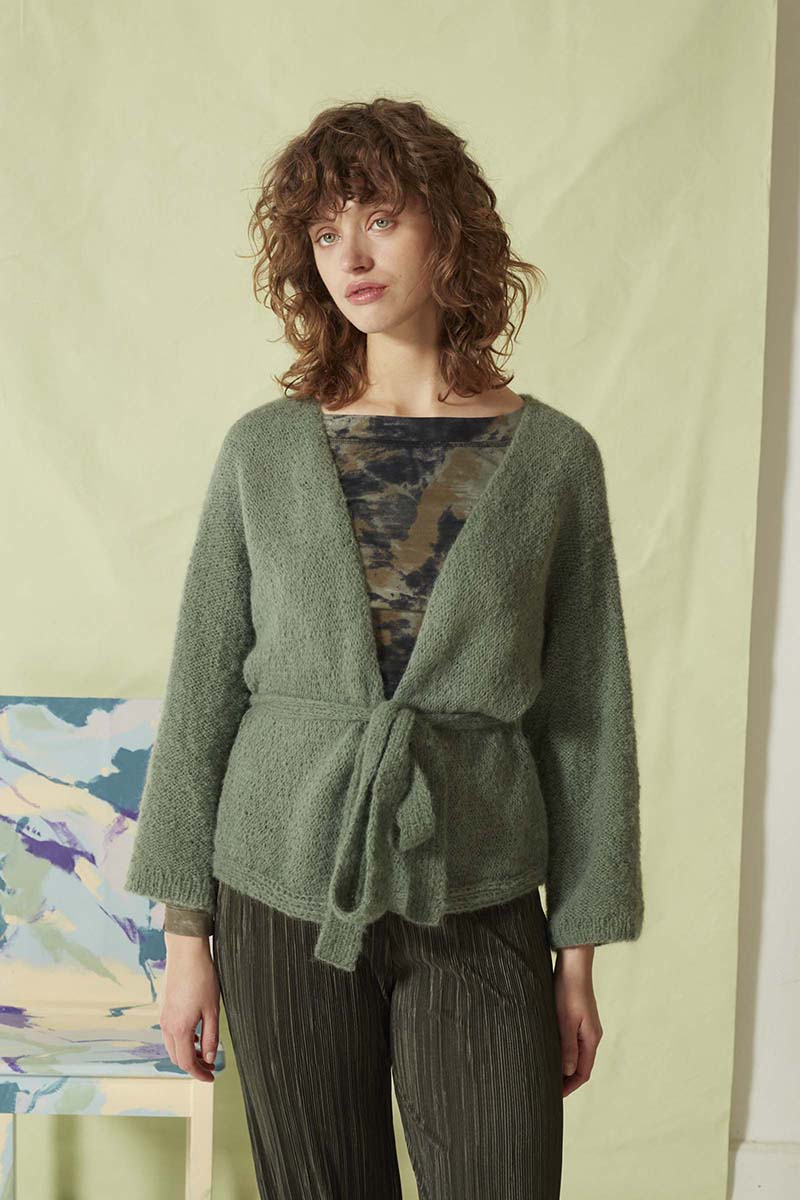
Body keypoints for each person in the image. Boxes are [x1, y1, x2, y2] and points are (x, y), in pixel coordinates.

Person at [125, 97, 644, 1200]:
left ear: (447, 228)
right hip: (279, 886)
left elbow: (585, 714)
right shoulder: (264, 452)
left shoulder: (554, 459)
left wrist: (576, 956)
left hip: (478, 881)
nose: (350, 257)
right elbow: (206, 685)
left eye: (378, 218)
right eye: (324, 233)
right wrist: (186, 940)